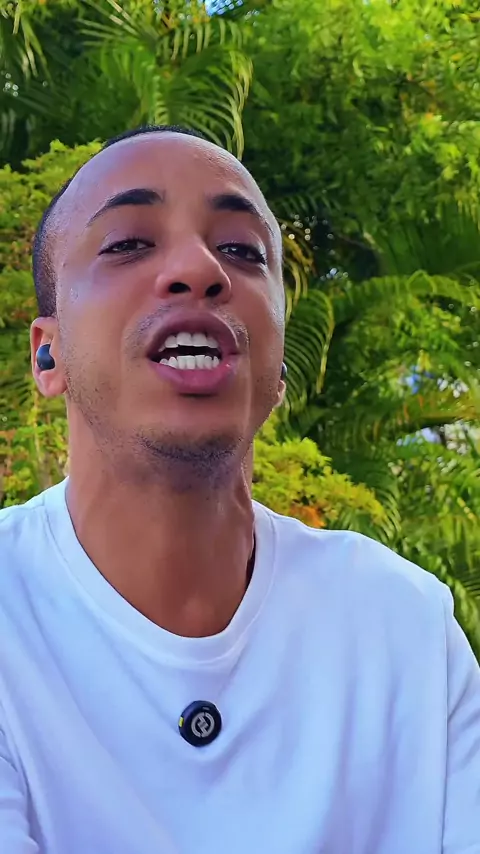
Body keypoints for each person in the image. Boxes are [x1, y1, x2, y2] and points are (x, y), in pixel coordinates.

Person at [0, 125, 479, 854]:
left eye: (242, 251)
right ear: (48, 351)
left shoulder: (406, 629)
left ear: (279, 367)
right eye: (129, 243)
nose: (199, 268)